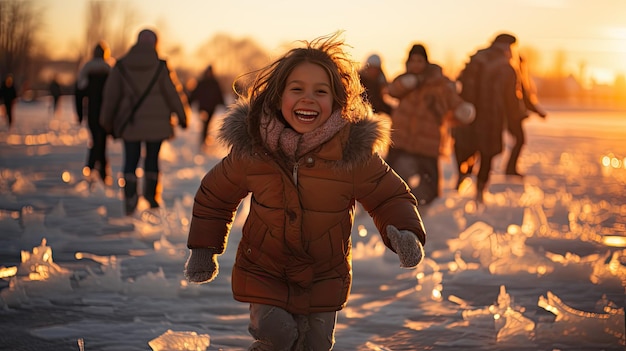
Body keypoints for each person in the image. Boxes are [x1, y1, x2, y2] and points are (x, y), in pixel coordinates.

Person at [183, 32, 426, 351]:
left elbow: (388, 195)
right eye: (297, 89)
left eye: (320, 91)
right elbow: (216, 195)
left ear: (337, 100)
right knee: (278, 333)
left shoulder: (352, 155)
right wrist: (204, 248)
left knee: (316, 344)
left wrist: (404, 232)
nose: (308, 99)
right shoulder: (255, 150)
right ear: (277, 96)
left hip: (324, 275)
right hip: (265, 269)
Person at [100, 28, 190, 215]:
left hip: (130, 123)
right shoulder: (160, 66)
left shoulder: (121, 65)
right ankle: (151, 195)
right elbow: (172, 94)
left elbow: (111, 96)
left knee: (130, 160)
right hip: (156, 125)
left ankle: (130, 196)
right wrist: (182, 116)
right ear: (155, 44)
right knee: (152, 159)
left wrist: (106, 120)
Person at [386, 44, 475, 206]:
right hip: (401, 141)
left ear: (426, 63)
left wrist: (463, 109)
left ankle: (421, 213)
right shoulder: (405, 79)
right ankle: (393, 209)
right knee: (390, 183)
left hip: (427, 144)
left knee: (430, 191)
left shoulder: (439, 84)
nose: (416, 65)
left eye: (419, 61)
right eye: (412, 61)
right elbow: (391, 90)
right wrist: (405, 84)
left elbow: (452, 99)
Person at [453, 33, 520, 202]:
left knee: (466, 148)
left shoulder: (477, 59)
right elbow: (510, 99)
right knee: (487, 155)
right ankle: (480, 192)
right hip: (491, 118)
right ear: (507, 47)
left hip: (469, 115)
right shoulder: (506, 67)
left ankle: (462, 177)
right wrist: (514, 122)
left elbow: (461, 83)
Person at [75, 41, 114, 185]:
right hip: (106, 113)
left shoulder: (86, 71)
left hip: (91, 113)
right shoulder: (110, 72)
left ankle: (92, 168)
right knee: (101, 141)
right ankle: (100, 171)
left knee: (96, 140)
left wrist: (80, 114)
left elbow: (79, 94)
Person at [504, 55, 547, 177]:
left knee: (519, 140)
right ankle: (510, 169)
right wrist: (538, 112)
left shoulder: (517, 77)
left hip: (514, 116)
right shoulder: (515, 77)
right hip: (512, 117)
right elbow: (526, 100)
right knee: (520, 140)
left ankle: (510, 168)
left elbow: (526, 100)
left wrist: (538, 112)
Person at [188, 64, 225, 148]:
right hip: (203, 107)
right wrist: (190, 102)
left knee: (207, 123)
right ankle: (203, 138)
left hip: (211, 107)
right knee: (204, 123)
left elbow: (219, 94)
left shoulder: (215, 83)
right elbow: (195, 93)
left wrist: (222, 103)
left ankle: (204, 138)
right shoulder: (201, 82)